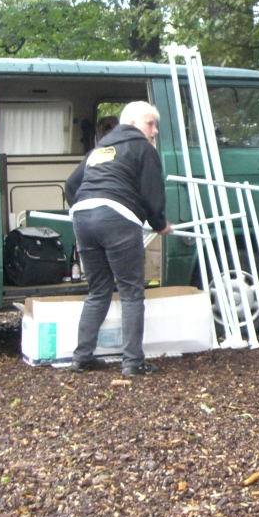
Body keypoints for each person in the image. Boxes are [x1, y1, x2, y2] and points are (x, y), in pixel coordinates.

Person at [65, 101, 173, 376]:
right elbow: (152, 192)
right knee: (131, 292)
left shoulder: (100, 149)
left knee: (98, 290)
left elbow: (71, 185)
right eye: (151, 124)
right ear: (133, 123)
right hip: (118, 217)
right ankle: (133, 362)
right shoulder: (143, 148)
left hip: (83, 217)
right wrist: (159, 224)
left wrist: (89, 207)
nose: (155, 131)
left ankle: (81, 357)